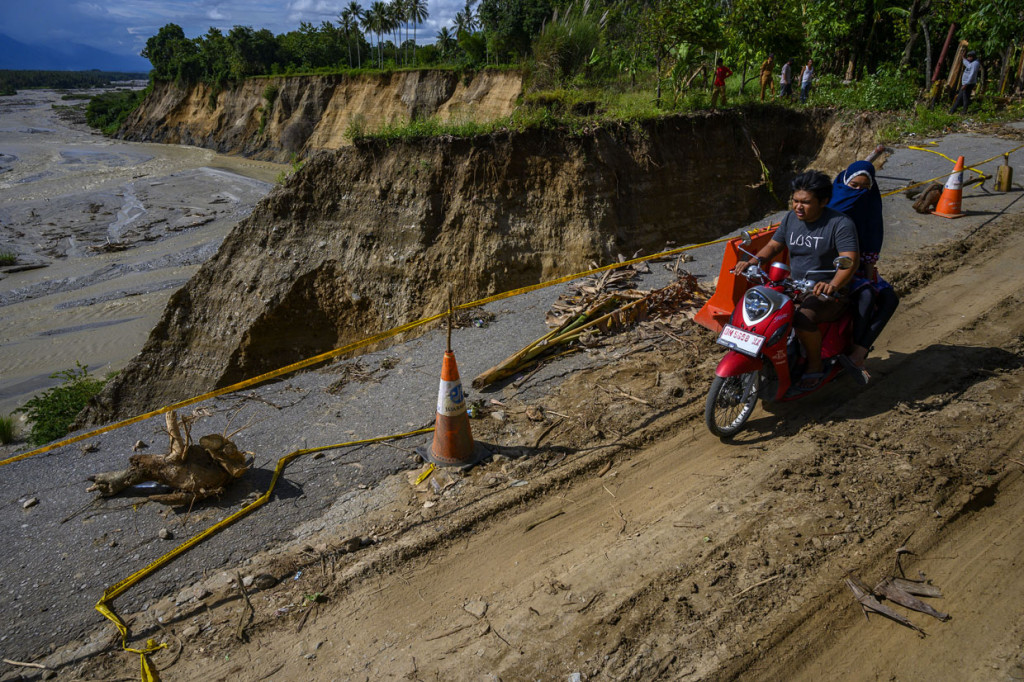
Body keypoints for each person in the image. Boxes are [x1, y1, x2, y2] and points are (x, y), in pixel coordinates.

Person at [734, 170, 859, 391]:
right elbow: (774, 245)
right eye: (795, 200)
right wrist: (754, 260)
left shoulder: (840, 223)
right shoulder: (791, 218)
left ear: (824, 201)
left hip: (826, 292)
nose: (798, 207)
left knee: (802, 318)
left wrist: (832, 285)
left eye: (806, 202)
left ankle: (814, 365)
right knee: (758, 309)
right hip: (793, 285)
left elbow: (850, 260)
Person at [828, 161, 899, 385]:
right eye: (854, 186)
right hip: (824, 268)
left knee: (887, 298)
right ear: (844, 183)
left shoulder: (869, 207)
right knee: (866, 298)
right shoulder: (829, 205)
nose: (858, 192)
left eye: (864, 188)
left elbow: (870, 244)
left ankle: (858, 353)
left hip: (855, 268)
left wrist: (868, 277)